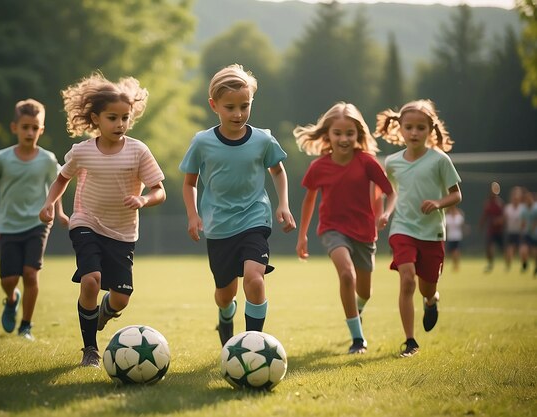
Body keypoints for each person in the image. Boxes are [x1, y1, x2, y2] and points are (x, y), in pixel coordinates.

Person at [39, 72, 165, 367]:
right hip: (86, 222)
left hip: (122, 233)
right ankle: (90, 350)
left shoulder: (138, 150)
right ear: (96, 118)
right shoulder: (82, 152)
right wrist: (49, 204)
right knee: (91, 279)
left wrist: (143, 199)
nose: (120, 124)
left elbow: (160, 190)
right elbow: (61, 179)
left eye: (125, 117)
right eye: (112, 117)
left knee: (120, 298)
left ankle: (105, 312)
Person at [179, 64, 296, 347]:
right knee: (225, 293)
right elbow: (190, 182)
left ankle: (253, 343)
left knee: (255, 280)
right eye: (230, 107)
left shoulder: (262, 139)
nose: (238, 113)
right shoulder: (202, 142)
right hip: (219, 226)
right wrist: (193, 215)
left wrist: (283, 204)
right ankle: (226, 315)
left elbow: (278, 171)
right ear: (214, 105)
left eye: (245, 106)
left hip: (255, 218)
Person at [293, 102, 396, 355]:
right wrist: (302, 235)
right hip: (332, 229)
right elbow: (309, 200)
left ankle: (356, 311)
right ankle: (358, 339)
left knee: (365, 292)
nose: (343, 138)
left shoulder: (367, 162)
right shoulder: (318, 167)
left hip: (364, 232)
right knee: (346, 275)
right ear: (327, 134)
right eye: (337, 133)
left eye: (349, 133)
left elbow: (391, 192)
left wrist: (385, 213)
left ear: (358, 135)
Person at [0, 99, 68, 341]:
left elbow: (58, 184)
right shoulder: (2, 158)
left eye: (35, 127)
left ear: (41, 130)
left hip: (38, 223)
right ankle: (12, 299)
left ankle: (26, 325)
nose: (30, 132)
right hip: (9, 225)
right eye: (25, 127)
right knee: (9, 279)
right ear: (14, 128)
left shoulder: (47, 159)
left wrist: (60, 212)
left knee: (31, 274)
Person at [375, 99, 462, 358]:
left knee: (426, 287)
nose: (414, 133)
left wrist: (438, 202)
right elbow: (387, 193)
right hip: (402, 228)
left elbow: (456, 195)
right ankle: (410, 341)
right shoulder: (391, 162)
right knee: (406, 278)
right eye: (409, 127)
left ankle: (431, 300)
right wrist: (385, 213)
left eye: (420, 128)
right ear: (399, 129)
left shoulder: (440, 160)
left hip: (432, 233)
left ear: (430, 130)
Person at [479, 182, 505, 273]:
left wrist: (498, 221)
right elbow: (485, 215)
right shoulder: (488, 203)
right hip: (491, 230)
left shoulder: (500, 203)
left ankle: (507, 264)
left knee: (502, 248)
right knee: (489, 247)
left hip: (499, 230)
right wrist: (481, 225)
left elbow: (504, 217)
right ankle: (490, 264)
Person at [504, 186, 527, 272]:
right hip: (511, 232)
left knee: (522, 251)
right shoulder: (508, 208)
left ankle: (524, 265)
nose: (515, 198)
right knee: (509, 251)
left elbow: (525, 221)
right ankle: (508, 267)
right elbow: (505, 220)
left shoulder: (523, 208)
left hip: (521, 233)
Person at [445, 205, 467, 272]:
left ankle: (455, 265)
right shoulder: (449, 217)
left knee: (455, 251)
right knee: (453, 252)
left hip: (455, 236)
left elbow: (462, 226)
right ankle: (455, 264)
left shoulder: (457, 216)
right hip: (452, 236)